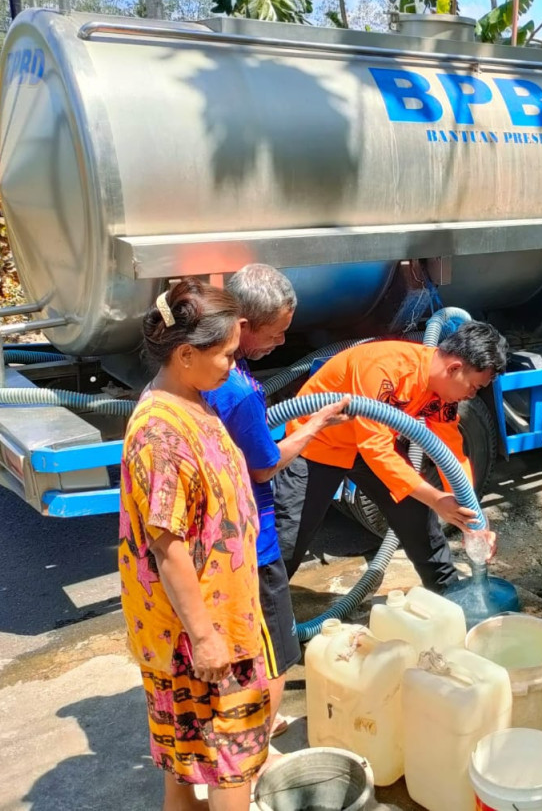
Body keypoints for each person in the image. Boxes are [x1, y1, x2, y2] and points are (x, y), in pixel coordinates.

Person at [118, 278, 270, 811]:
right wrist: (206, 639)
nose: (233, 365)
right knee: (232, 768)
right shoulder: (161, 434)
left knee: (185, 768)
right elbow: (168, 547)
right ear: (186, 354)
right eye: (226, 354)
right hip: (199, 636)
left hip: (209, 620)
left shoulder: (189, 399)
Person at [204, 264, 351, 740]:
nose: (283, 343)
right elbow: (265, 466)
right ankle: (255, 743)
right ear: (242, 327)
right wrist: (312, 427)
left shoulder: (203, 371)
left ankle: (236, 725)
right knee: (275, 650)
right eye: (277, 332)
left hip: (213, 537)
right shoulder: (239, 389)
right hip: (251, 537)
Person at [274, 322, 509, 592]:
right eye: (475, 387)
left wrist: (474, 516)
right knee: (289, 540)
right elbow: (375, 448)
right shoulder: (384, 368)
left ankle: (449, 594)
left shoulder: (444, 391)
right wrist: (436, 499)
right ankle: (261, 615)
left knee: (418, 518)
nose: (472, 394)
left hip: (369, 446)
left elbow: (452, 451)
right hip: (318, 444)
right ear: (454, 368)